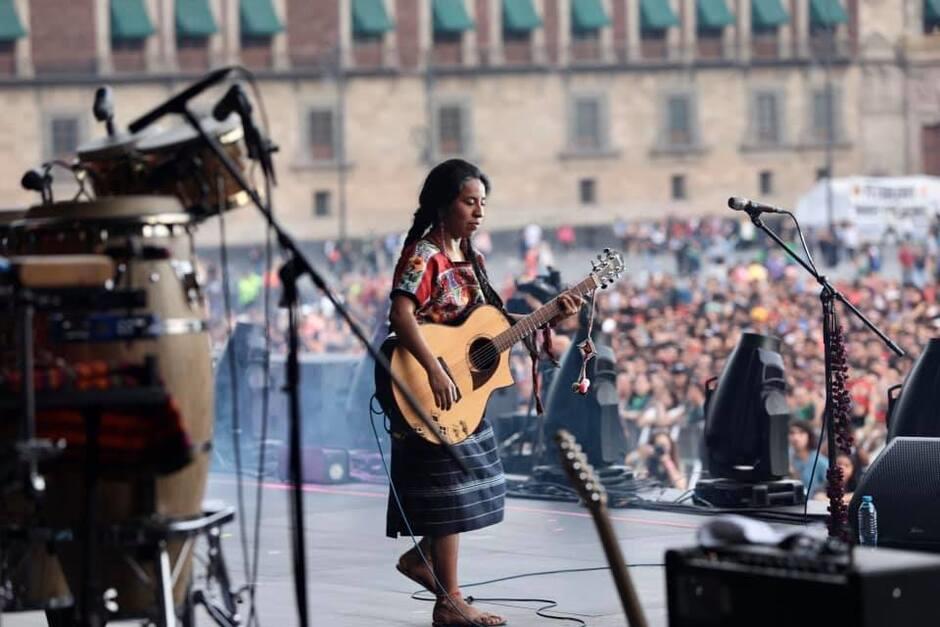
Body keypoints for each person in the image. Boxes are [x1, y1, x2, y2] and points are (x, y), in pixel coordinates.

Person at [386, 159, 581, 626]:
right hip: (427, 384)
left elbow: (488, 326)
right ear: (444, 203)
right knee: (450, 488)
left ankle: (423, 563)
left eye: (482, 204)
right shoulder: (424, 254)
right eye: (469, 202)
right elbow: (401, 314)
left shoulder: (470, 258)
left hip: (460, 390)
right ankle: (449, 602)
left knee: (473, 483)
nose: (478, 212)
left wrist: (547, 315)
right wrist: (434, 369)